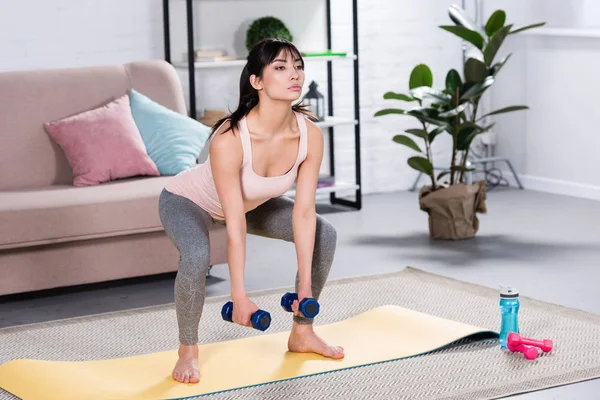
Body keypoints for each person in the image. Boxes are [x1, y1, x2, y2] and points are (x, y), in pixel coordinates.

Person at [158, 37, 344, 384]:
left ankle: (302, 333)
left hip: (250, 204)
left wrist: (305, 287)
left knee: (325, 233)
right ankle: (188, 350)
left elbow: (303, 213)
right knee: (197, 255)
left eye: (298, 66)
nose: (295, 75)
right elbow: (234, 226)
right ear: (256, 81)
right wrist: (239, 297)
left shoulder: (310, 135)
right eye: (280, 67)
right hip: (188, 201)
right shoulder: (229, 137)